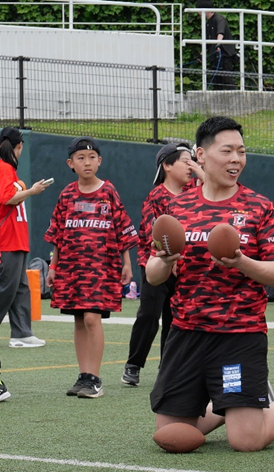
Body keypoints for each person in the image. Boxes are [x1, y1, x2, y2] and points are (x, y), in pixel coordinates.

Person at [147, 116, 274, 452]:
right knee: (171, 433)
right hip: (187, 332)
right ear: (201, 155)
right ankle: (241, 405)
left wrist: (241, 261)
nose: (236, 159)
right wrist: (166, 260)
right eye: (227, 151)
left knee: (245, 441)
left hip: (239, 335)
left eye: (241, 151)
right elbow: (153, 275)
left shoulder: (259, 207)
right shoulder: (177, 207)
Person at [45, 136, 138, 399]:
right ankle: (84, 375)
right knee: (78, 320)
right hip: (71, 270)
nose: (87, 162)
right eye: (81, 158)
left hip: (101, 269)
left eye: (92, 157)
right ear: (70, 163)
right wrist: (53, 267)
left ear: (99, 161)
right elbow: (58, 235)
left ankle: (95, 379)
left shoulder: (109, 192)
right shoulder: (66, 194)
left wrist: (127, 263)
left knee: (91, 318)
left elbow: (122, 228)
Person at [121, 143, 203, 386]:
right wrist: (166, 258)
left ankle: (168, 366)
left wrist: (199, 169)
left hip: (184, 267)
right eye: (185, 161)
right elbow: (151, 233)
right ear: (167, 165)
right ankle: (133, 364)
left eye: (192, 162)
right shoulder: (157, 196)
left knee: (175, 317)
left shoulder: (194, 193)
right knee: (149, 314)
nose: (190, 167)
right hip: (156, 264)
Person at [0, 126, 48, 349]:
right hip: (7, 240)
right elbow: (7, 198)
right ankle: (21, 333)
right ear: (19, 146)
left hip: (16, 239)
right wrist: (32, 191)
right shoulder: (4, 167)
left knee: (20, 288)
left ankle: (21, 333)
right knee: (6, 289)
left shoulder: (8, 169)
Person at [196, 0, 237, 90]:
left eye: (199, 10)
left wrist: (218, 44)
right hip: (215, 54)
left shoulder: (219, 19)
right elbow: (207, 41)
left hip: (225, 53)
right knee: (216, 80)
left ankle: (234, 96)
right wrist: (202, 54)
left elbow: (220, 33)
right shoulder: (207, 23)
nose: (198, 13)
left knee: (226, 78)